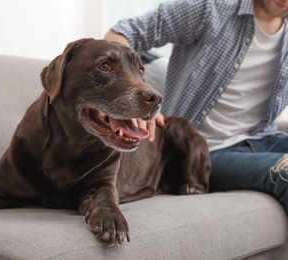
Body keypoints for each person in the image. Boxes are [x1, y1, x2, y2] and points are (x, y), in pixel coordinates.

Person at [104, 0, 288, 214]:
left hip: (262, 138)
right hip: (203, 149)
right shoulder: (208, 9)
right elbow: (118, 35)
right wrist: (134, 96)